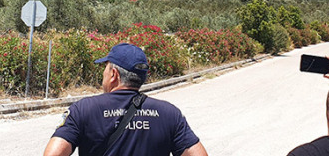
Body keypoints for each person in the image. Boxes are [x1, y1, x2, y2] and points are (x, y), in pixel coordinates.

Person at [44, 42, 208, 156]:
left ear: (114, 75)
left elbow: (54, 154)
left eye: (106, 69)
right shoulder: (169, 114)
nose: (103, 75)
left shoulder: (82, 110)